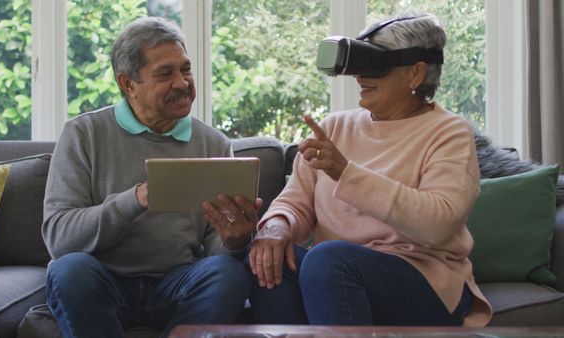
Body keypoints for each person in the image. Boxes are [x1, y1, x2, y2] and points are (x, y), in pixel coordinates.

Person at [248, 12, 493, 327]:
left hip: (423, 277)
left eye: (374, 65)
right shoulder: (334, 127)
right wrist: (277, 227)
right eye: (358, 66)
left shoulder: (449, 132)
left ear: (416, 73)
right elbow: (295, 201)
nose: (360, 77)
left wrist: (346, 172)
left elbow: (439, 223)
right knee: (264, 259)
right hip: (335, 274)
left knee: (329, 260)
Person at [42, 16, 260, 338]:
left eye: (185, 69)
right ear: (127, 84)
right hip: (104, 283)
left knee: (227, 273)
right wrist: (136, 200)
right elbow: (60, 238)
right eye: (165, 74)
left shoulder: (212, 143)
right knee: (70, 270)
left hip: (175, 283)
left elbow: (215, 248)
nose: (183, 83)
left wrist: (234, 241)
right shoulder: (83, 134)